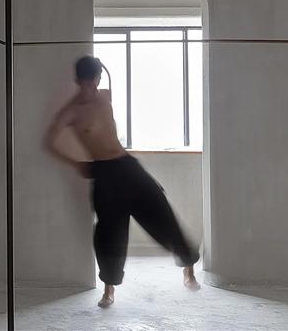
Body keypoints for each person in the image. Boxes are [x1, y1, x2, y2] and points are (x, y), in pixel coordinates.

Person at [44, 55, 200, 308]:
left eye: (94, 82)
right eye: (85, 84)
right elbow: (48, 142)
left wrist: (100, 65)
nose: (91, 89)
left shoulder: (105, 95)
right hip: (104, 174)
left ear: (98, 79)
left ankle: (188, 268)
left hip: (127, 165)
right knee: (110, 233)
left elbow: (107, 77)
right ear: (78, 81)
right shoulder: (71, 112)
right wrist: (76, 164)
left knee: (162, 212)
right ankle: (109, 290)